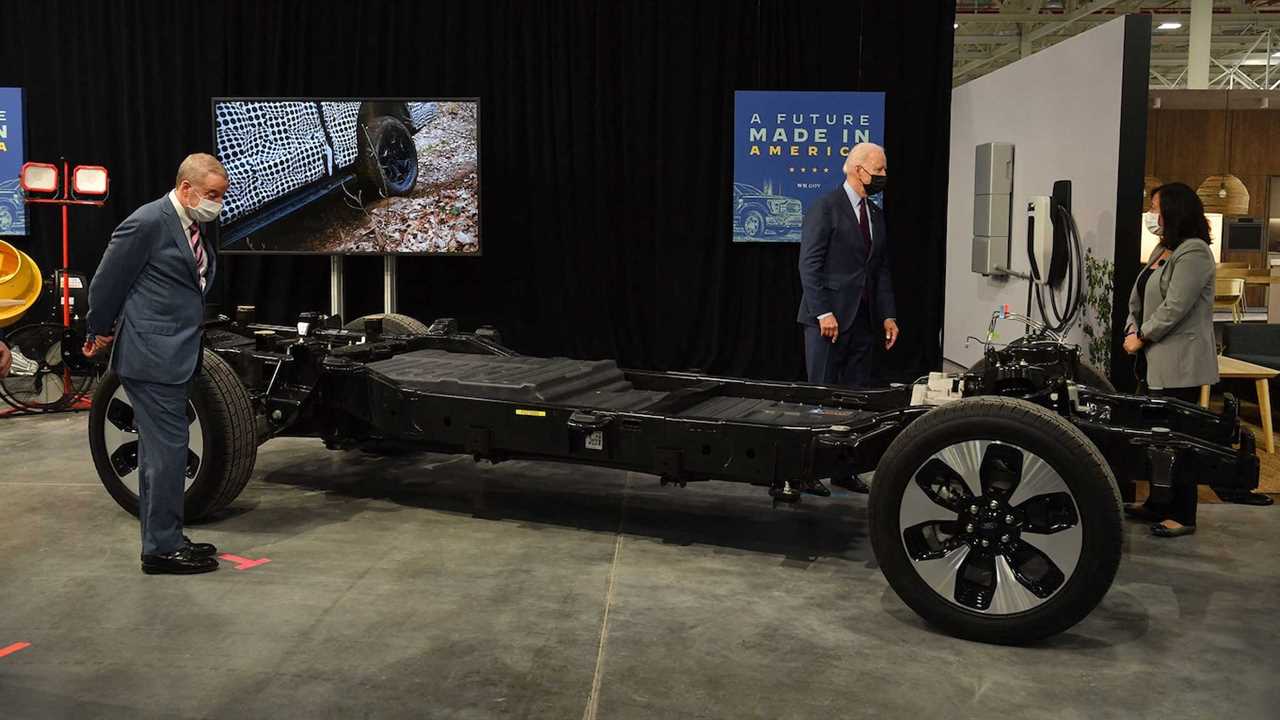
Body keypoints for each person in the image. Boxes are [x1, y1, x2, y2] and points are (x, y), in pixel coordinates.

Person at [84, 153, 227, 574]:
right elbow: (107, 282)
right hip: (151, 357)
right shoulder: (147, 223)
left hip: (173, 354)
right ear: (186, 189)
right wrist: (98, 329)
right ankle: (161, 550)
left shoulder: (191, 226)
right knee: (168, 452)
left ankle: (164, 538)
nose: (217, 203)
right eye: (212, 195)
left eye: (221, 196)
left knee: (158, 454)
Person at [796, 142, 899, 495]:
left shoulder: (876, 214)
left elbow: (880, 271)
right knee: (820, 400)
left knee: (853, 402)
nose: (884, 176)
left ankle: (843, 469)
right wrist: (823, 311)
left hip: (864, 323)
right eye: (880, 169)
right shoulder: (825, 207)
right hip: (827, 322)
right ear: (859, 169)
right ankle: (805, 471)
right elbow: (809, 266)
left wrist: (887, 316)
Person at [1122, 182, 1218, 537]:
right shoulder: (1163, 249)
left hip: (1181, 363)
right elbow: (1141, 295)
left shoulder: (1194, 253)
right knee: (1156, 439)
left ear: (1174, 211)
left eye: (1156, 208)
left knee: (1180, 440)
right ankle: (1157, 503)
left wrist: (1142, 336)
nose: (1152, 215)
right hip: (1153, 360)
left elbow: (1175, 307)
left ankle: (1184, 514)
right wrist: (1132, 329)